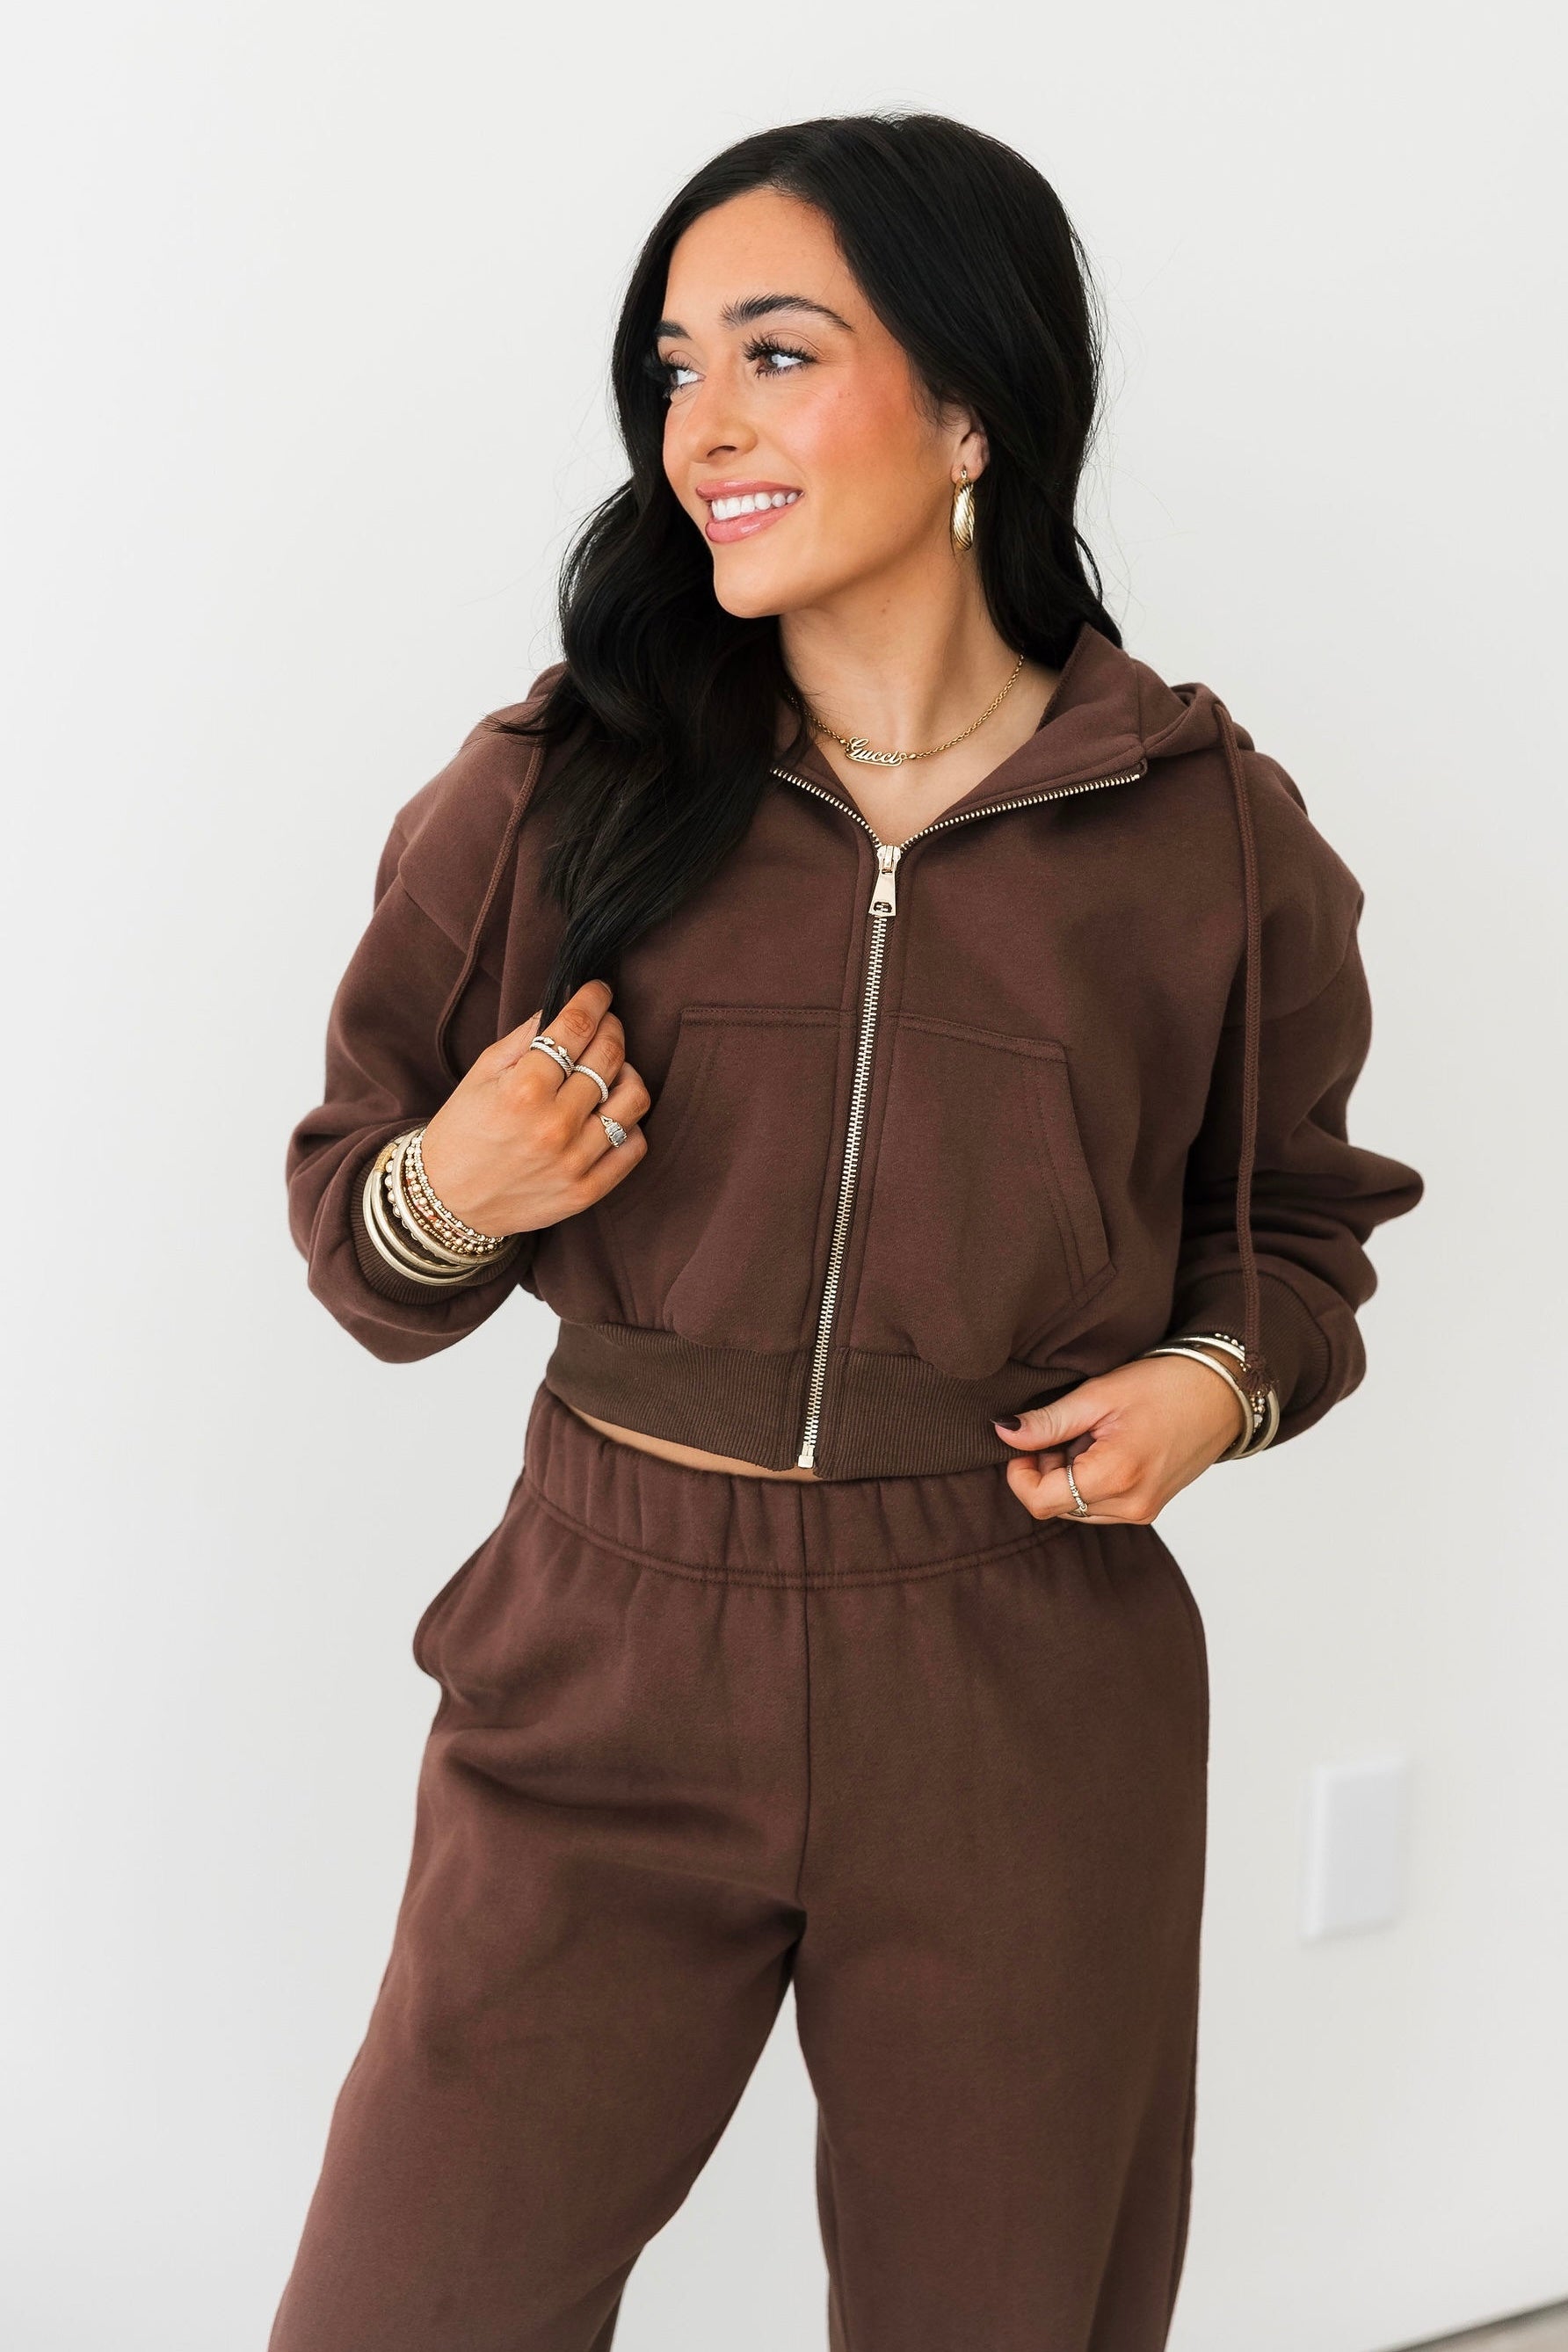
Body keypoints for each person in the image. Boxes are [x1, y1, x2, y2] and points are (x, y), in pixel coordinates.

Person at [271, 112, 1424, 2352]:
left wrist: (1216, 1384)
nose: (703, 427)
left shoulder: (1203, 831)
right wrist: (448, 1196)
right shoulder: (551, 788)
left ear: (973, 405)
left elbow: (1299, 1226)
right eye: (674, 368)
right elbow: (357, 1229)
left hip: (1018, 1671)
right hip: (603, 1647)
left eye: (777, 354)